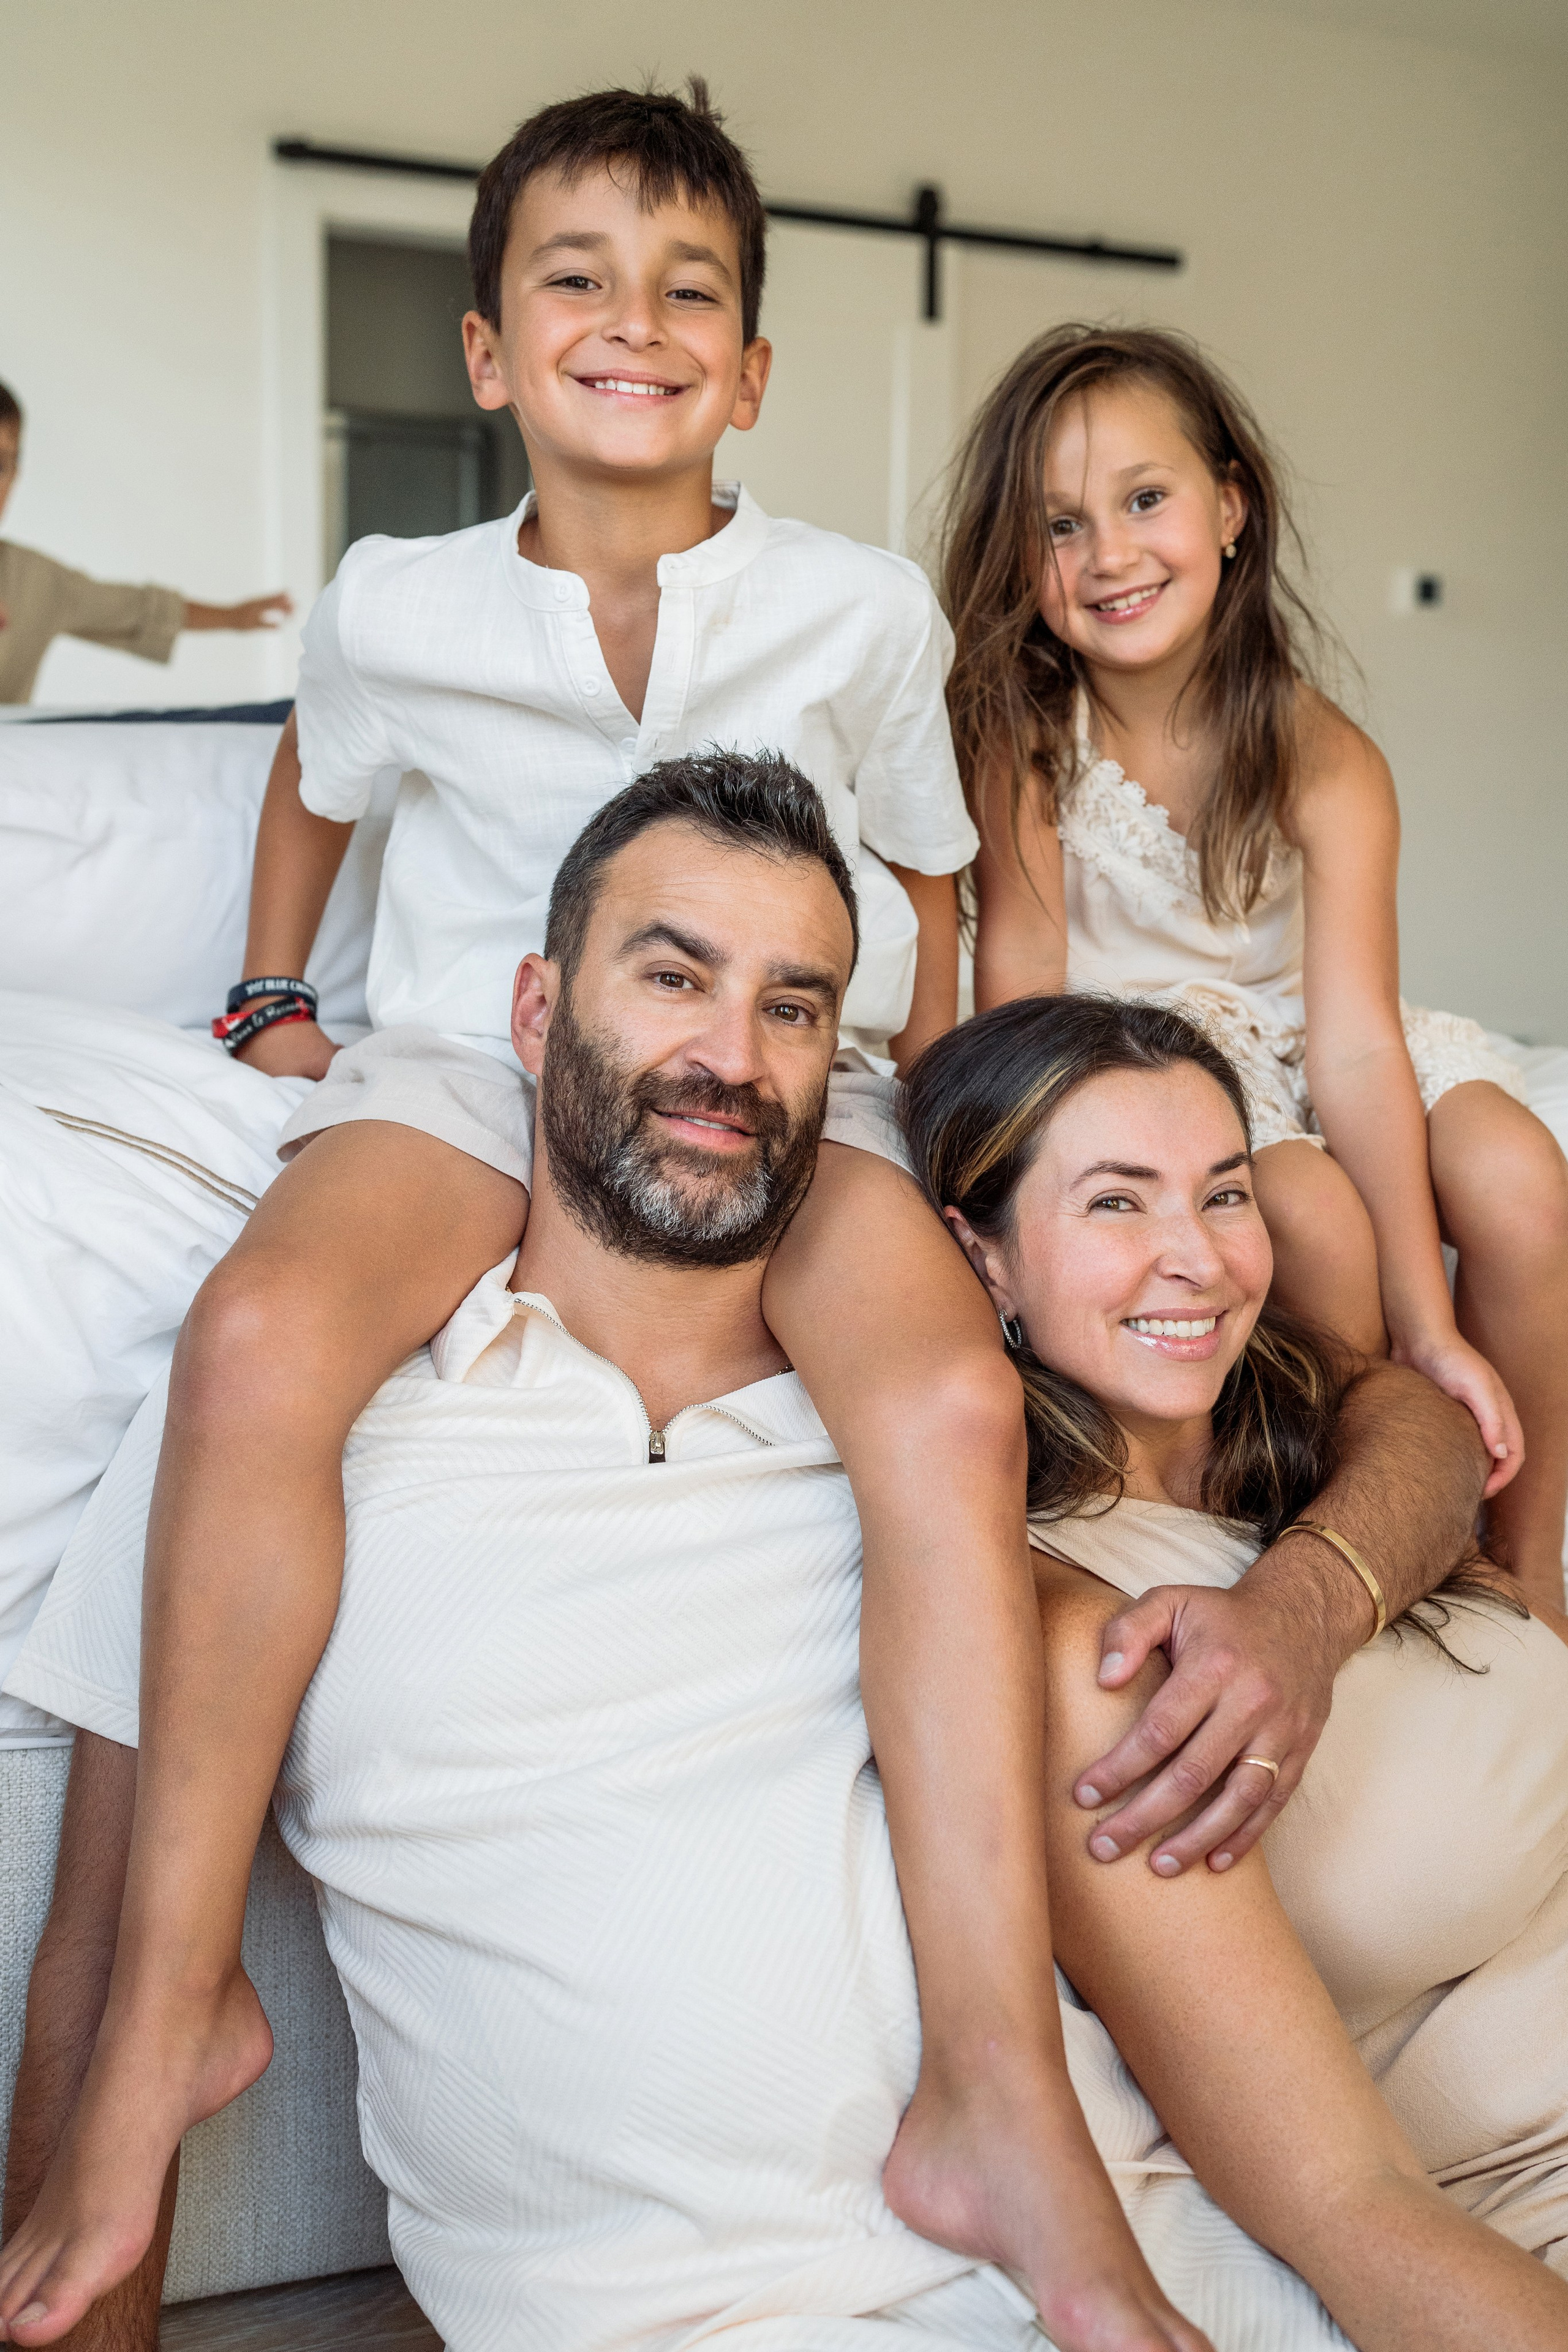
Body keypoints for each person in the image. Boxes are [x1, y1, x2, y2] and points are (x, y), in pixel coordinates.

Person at [4, 759, 1555, 2352]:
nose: (728, 1059)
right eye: (674, 976)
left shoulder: (960, 1469)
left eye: (795, 1008)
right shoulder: (279, 1434)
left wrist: (1306, 1603)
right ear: (537, 1013)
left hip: (1169, 2293)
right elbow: (108, 1956)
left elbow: (1354, 2213)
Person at [900, 992, 1568, 2318]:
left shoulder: (1299, 1434)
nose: (1197, 1260)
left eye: (1221, 1195)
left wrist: (1304, 1606)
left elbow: (1417, 1427)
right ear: (982, 1260)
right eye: (1114, 1203)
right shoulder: (1078, 1644)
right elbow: (1346, 2209)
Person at [942, 323, 1568, 1612]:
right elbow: (1023, 996)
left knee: (1517, 1180)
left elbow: (1349, 1043)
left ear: (1228, 508)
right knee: (1313, 1225)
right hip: (1139, 1051)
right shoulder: (1019, 736)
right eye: (1057, 526)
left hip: (1310, 1032)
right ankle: (1354, 1532)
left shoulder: (1322, 755)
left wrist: (1426, 1316)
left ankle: (1528, 1566)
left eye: (1144, 500)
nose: (1108, 553)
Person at [0, 381, 292, 704]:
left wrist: (233, 617)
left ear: (15, 475)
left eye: (0, 465)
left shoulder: (36, 581)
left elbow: (140, 609)